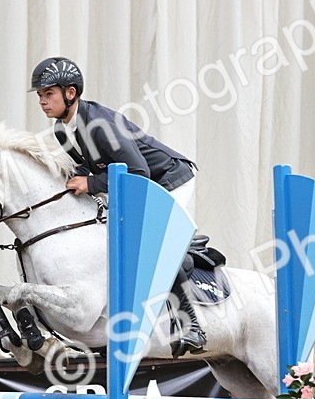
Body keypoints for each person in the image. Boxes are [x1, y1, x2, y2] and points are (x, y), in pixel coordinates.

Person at [30, 56, 206, 356]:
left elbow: (138, 173)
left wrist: (92, 184)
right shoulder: (62, 130)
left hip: (170, 179)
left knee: (154, 241)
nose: (42, 102)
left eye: (48, 94)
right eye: (40, 96)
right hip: (138, 181)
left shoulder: (99, 125)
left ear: (70, 93)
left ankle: (192, 326)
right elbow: (88, 171)